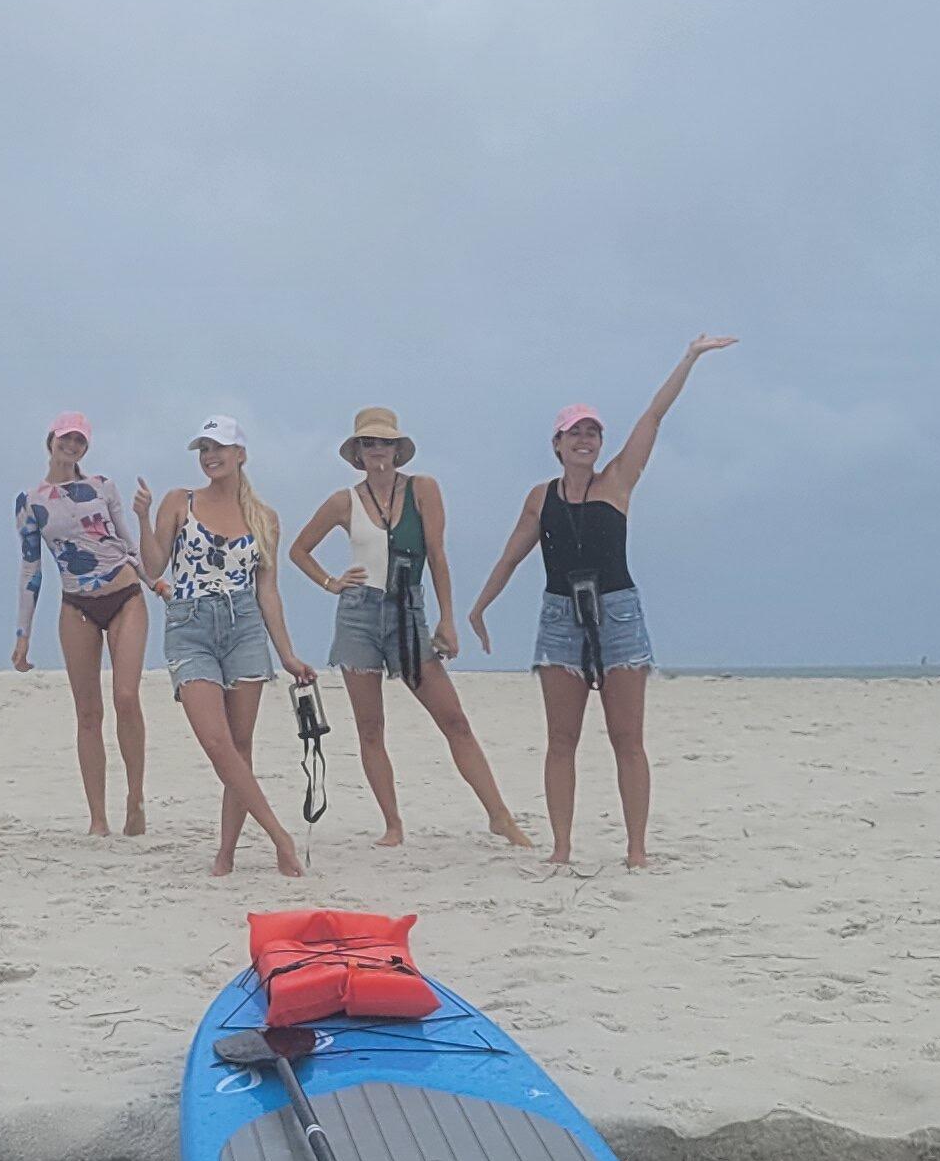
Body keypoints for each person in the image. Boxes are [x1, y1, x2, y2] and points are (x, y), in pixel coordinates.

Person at [468, 336, 735, 870]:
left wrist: (688, 357)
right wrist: (479, 609)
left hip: (618, 613)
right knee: (561, 740)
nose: (585, 440)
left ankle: (636, 851)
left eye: (593, 432)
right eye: (575, 433)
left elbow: (653, 418)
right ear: (558, 444)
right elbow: (510, 557)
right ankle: (561, 848)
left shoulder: (618, 480)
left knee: (626, 738)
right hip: (559, 617)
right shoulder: (540, 497)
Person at [286, 407, 532, 850]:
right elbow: (298, 549)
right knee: (370, 728)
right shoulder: (344, 501)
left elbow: (437, 555)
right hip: (359, 613)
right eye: (369, 443)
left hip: (408, 611)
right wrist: (331, 582)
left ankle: (500, 816)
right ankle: (393, 824)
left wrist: (448, 618)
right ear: (357, 452)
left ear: (398, 449)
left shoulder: (424, 489)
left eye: (384, 442)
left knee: (454, 719)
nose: (377, 450)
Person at [135, 417, 317, 878]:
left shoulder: (265, 517)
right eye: (204, 449)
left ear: (240, 455)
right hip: (190, 623)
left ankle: (226, 852)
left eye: (219, 447)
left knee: (240, 743)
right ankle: (281, 837)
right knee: (216, 742)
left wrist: (288, 654)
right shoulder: (180, 501)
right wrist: (142, 516)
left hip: (245, 627)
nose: (210, 456)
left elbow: (268, 591)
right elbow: (154, 563)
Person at [11, 413, 149, 837]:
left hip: (124, 595)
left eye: (80, 442)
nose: (72, 447)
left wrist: (153, 579)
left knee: (125, 696)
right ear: (51, 440)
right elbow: (31, 568)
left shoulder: (102, 486)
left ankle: (135, 798)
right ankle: (98, 818)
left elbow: (124, 540)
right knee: (88, 712)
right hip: (77, 605)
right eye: (66, 439)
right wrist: (23, 635)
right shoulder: (31, 501)